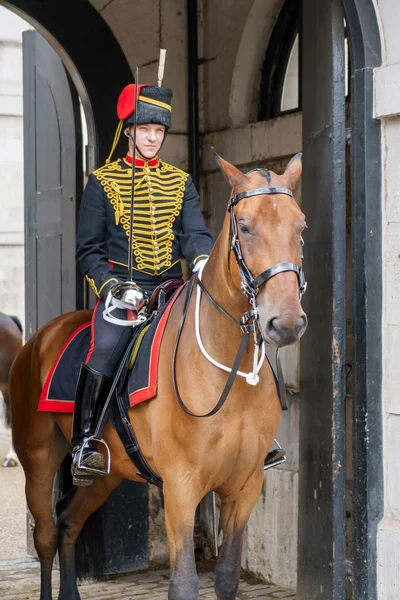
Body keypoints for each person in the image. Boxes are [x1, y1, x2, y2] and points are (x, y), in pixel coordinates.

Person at [71, 83, 214, 486]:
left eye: (159, 131)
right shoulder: (103, 182)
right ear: (129, 130)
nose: (153, 137)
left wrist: (201, 258)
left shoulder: (180, 181)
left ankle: (255, 434)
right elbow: (89, 251)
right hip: (123, 292)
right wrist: (112, 286)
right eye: (145, 129)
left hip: (171, 288)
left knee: (226, 331)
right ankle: (86, 441)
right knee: (107, 348)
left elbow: (195, 234)